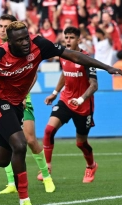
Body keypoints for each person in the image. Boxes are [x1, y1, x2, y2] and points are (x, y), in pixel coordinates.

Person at [0, 21, 122, 205]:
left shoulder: (39, 45)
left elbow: (74, 55)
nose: (25, 43)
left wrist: (106, 67)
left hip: (17, 103)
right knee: (20, 144)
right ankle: (25, 201)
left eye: (26, 37)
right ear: (9, 42)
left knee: (1, 158)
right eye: (19, 40)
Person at [0, 14, 55, 194]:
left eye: (6, 26)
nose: (3, 29)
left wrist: (22, 93)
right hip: (3, 102)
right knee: (5, 141)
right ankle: (11, 183)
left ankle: (46, 176)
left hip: (22, 100)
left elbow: (33, 73)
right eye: (0, 26)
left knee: (29, 139)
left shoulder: (25, 50)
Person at [41, 26, 99, 184]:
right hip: (66, 100)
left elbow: (94, 85)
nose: (68, 40)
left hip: (83, 106)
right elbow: (65, 74)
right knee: (48, 130)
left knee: (80, 143)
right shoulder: (63, 55)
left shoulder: (87, 59)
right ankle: (46, 167)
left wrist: (80, 99)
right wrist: (54, 92)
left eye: (71, 38)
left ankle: (91, 166)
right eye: (66, 37)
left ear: (79, 40)